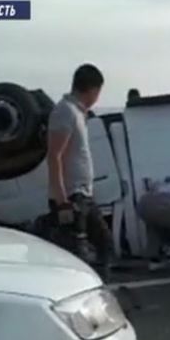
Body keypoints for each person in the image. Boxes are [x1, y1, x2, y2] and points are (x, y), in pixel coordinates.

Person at [47, 64, 113, 273]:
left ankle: (100, 294)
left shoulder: (77, 112)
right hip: (71, 197)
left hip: (82, 194)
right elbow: (54, 155)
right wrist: (61, 201)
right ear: (93, 90)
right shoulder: (65, 111)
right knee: (79, 254)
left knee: (104, 246)